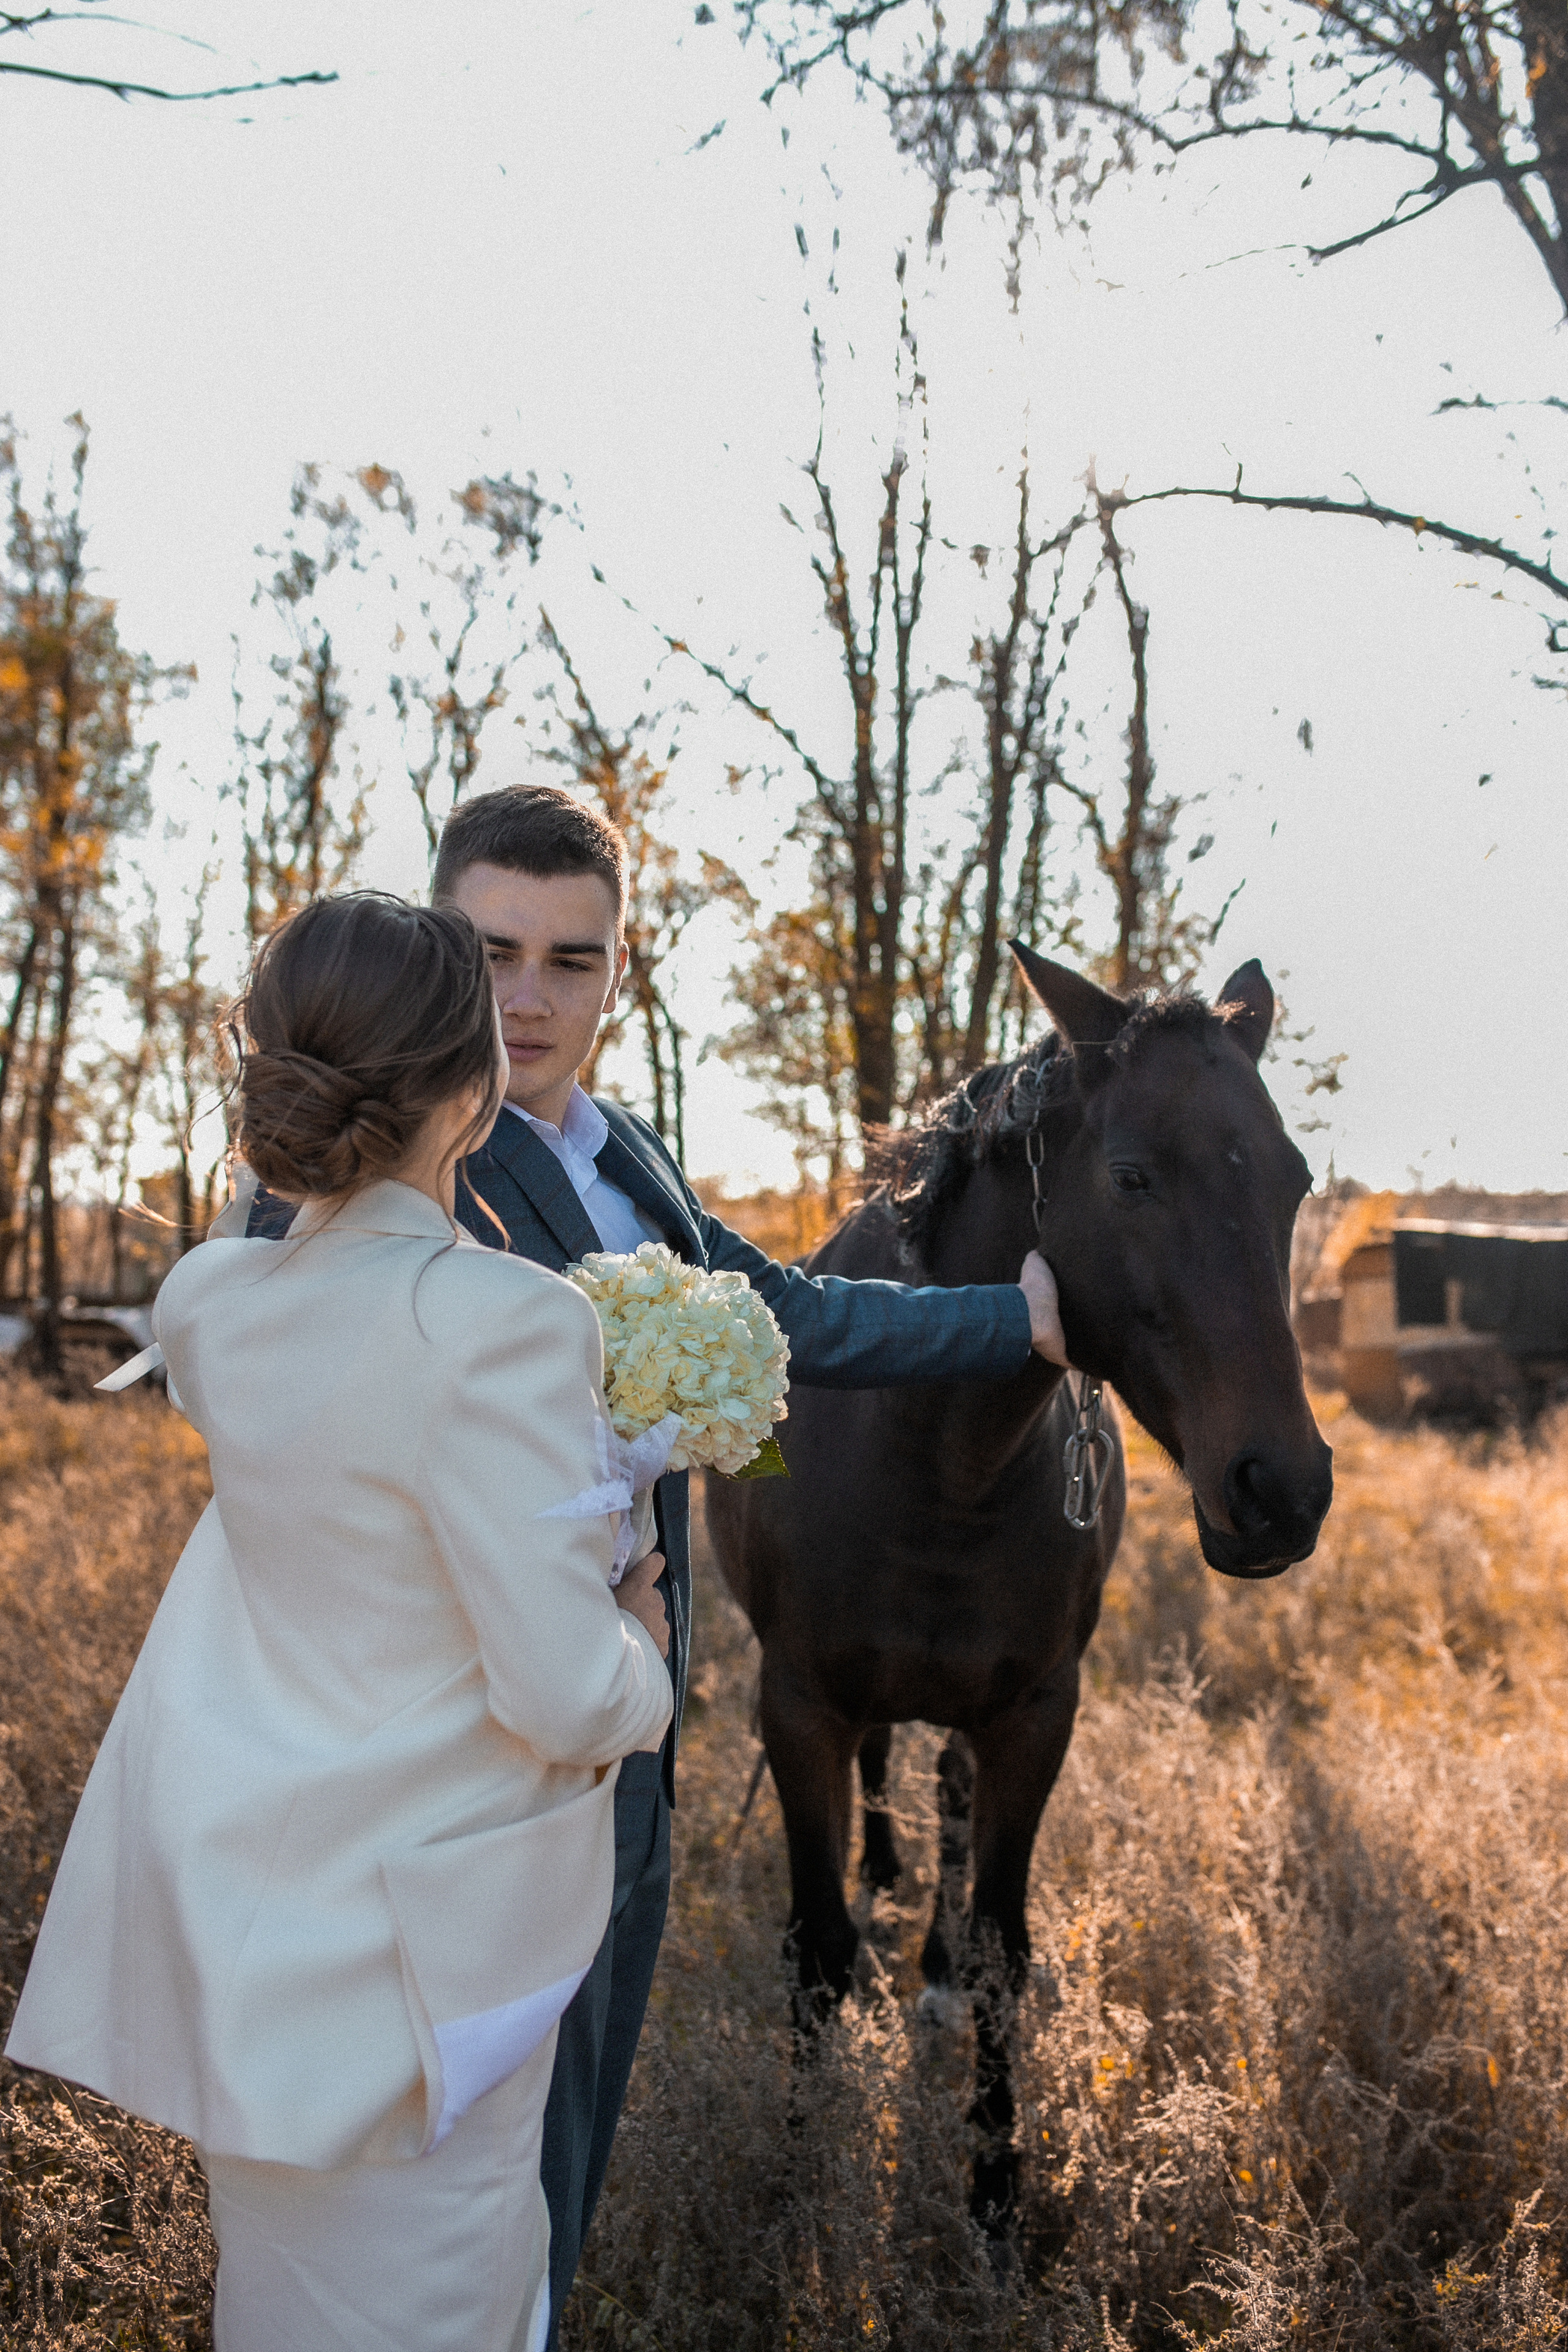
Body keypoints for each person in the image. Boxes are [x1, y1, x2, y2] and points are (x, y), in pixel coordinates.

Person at [246, 785, 1071, 2345]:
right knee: (435, 2186)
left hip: (627, 1745)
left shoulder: (630, 1161)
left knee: (570, 2145)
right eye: (491, 951)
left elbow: (791, 1317)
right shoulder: (354, 1181)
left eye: (575, 959)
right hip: (442, 1763)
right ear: (436, 946)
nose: (529, 998)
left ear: (618, 973)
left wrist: (1009, 1323)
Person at [5, 893, 674, 2352]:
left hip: (251, 1934)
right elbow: (563, 1699)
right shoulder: (503, 1323)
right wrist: (643, 1648)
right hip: (426, 1979)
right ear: (472, 1089)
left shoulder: (210, 1303)